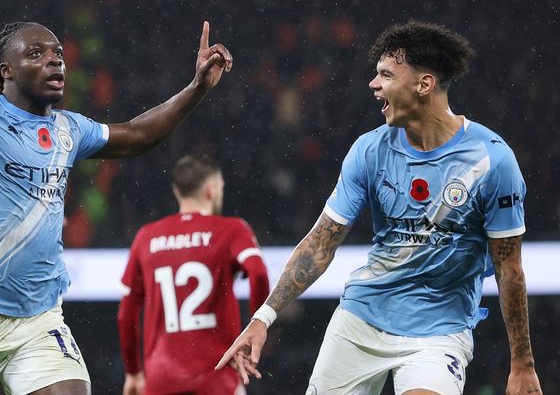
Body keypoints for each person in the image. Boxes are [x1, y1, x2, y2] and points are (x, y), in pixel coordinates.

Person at [0, 0, 232, 395]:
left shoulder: (69, 129)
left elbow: (138, 136)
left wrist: (198, 87)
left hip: (39, 319)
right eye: (36, 54)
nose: (55, 61)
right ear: (7, 70)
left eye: (57, 53)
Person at [217, 21, 543, 395]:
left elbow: (509, 268)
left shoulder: (493, 160)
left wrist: (523, 364)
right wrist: (263, 317)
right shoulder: (369, 150)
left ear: (424, 85)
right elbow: (320, 244)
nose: (373, 85)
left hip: (438, 334)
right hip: (361, 321)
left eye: (386, 75)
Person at [117, 155, 270, 395]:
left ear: (177, 191)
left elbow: (126, 314)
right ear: (211, 190)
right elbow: (259, 274)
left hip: (161, 379)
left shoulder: (146, 237)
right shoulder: (231, 229)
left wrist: (133, 373)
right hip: (217, 378)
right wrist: (258, 323)